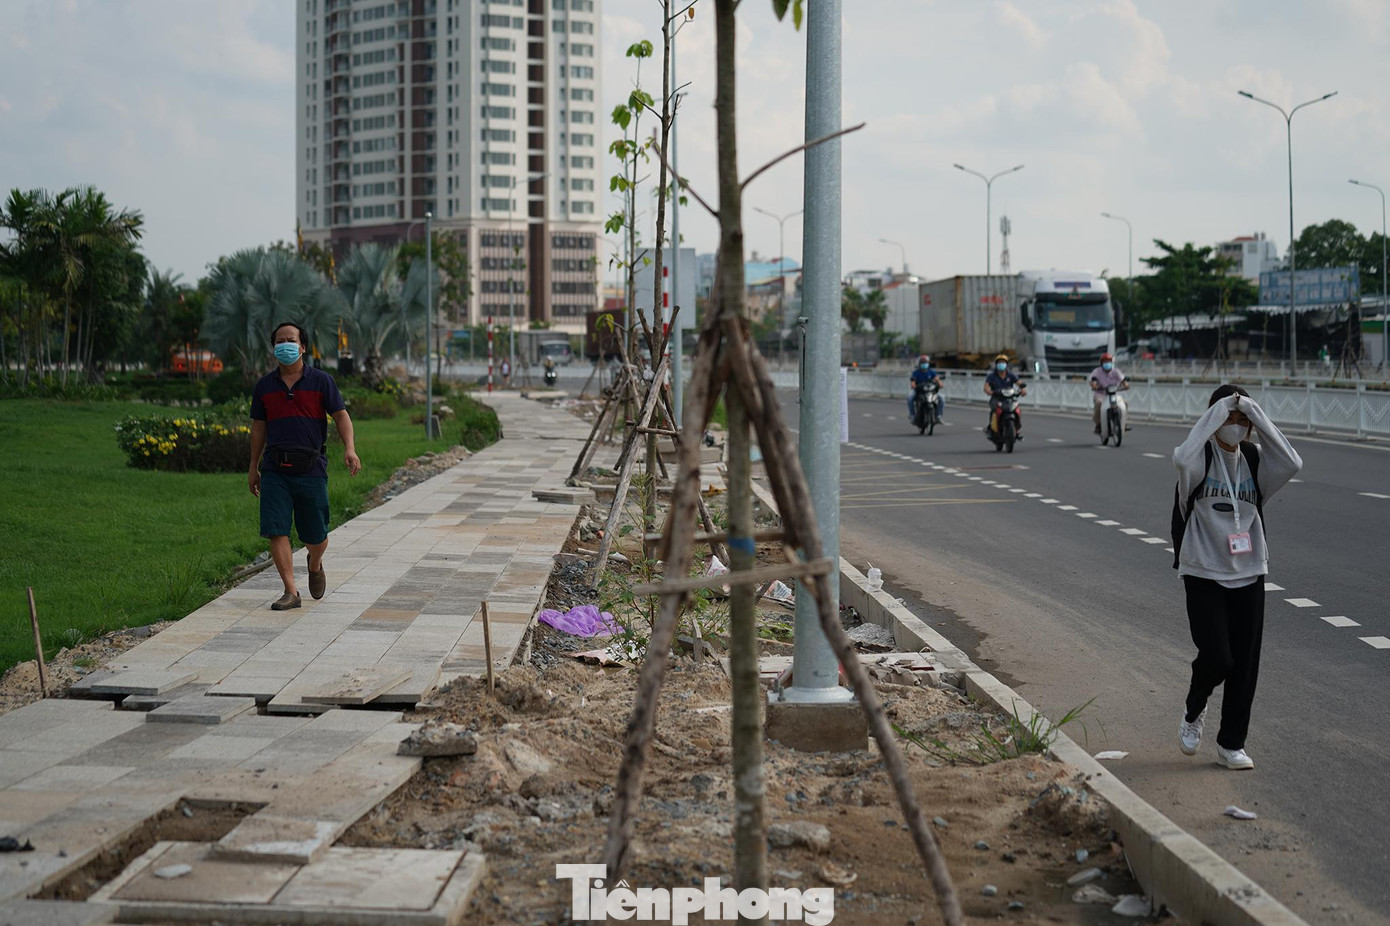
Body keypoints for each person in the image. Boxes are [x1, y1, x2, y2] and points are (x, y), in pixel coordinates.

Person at [1172, 384, 1301, 770]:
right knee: (1217, 655)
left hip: (1249, 569)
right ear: (1212, 419)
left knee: (1244, 662)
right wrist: (1219, 412)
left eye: (1241, 419)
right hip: (1203, 569)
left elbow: (1292, 462)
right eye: (1229, 416)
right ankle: (1194, 710)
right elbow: (1181, 456)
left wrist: (1255, 413)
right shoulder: (1198, 460)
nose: (1235, 423)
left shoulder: (1254, 460)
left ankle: (1231, 744)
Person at [248, 322, 362, 611]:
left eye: (291, 340)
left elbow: (341, 417)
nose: (285, 345)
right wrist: (253, 466)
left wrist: (349, 449)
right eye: (279, 341)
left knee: (317, 535)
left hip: (311, 467)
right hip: (275, 468)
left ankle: (315, 562)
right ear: (274, 348)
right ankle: (290, 592)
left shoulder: (322, 381)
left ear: (302, 347)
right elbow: (258, 429)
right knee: (276, 529)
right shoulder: (264, 386)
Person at [982, 353, 1026, 439]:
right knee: (994, 410)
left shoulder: (1011, 375)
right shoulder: (992, 376)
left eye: (1003, 362)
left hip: (1009, 399)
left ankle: (1016, 431)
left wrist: (1022, 390)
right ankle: (991, 429)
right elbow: (986, 386)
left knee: (1017, 410)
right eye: (999, 363)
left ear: (1006, 364)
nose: (1001, 364)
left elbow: (1019, 383)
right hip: (997, 398)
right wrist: (988, 391)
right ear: (996, 364)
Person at [1088, 352, 1130, 434]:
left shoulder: (1116, 372)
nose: (1107, 363)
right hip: (1101, 394)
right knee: (1099, 403)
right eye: (1105, 362)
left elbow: (1123, 380)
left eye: (1109, 361)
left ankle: (1124, 423)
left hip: (1113, 394)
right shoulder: (1097, 372)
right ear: (1101, 363)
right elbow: (1092, 381)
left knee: (1125, 403)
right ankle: (1098, 424)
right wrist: (1094, 386)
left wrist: (1126, 385)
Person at [907, 354, 944, 421]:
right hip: (919, 390)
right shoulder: (916, 372)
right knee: (910, 398)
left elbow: (937, 379)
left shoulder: (931, 372)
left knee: (942, 398)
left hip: (930, 391)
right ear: (920, 364)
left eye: (925, 363)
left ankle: (939, 415)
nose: (924, 365)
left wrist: (940, 384)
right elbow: (913, 381)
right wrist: (913, 385)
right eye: (923, 363)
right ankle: (912, 415)